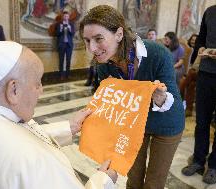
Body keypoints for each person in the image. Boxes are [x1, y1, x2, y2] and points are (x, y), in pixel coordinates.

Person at [0, 41, 118, 189]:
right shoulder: (31, 161)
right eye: (37, 83)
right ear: (14, 89)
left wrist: (69, 127)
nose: (41, 91)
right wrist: (104, 180)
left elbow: (18, 134)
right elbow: (21, 147)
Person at [79, 5, 184, 189]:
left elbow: (172, 100)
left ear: (119, 34)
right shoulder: (104, 66)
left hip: (167, 123)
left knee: (154, 183)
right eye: (87, 41)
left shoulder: (158, 54)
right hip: (135, 126)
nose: (92, 48)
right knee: (133, 180)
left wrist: (159, 97)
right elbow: (115, 104)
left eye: (98, 39)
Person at [182, 5, 216, 185]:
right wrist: (203, 48)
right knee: (201, 121)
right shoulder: (210, 12)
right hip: (206, 72)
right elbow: (201, 39)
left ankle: (214, 166)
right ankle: (198, 161)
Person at [179, 34, 198, 117]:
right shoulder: (187, 50)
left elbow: (196, 65)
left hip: (197, 72)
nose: (193, 41)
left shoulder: (199, 51)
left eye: (195, 40)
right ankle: (189, 109)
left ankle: (179, 102)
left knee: (184, 81)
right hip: (190, 74)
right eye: (192, 39)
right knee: (191, 85)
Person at [56, 11, 75, 80]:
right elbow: (57, 34)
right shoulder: (59, 24)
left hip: (69, 45)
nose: (66, 17)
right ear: (62, 17)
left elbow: (73, 34)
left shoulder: (71, 24)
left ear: (68, 17)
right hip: (61, 45)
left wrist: (70, 28)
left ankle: (68, 75)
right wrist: (61, 29)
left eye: (67, 16)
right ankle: (61, 75)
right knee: (61, 61)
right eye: (64, 16)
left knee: (68, 60)